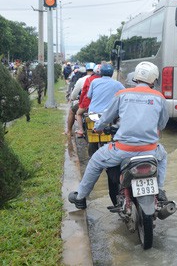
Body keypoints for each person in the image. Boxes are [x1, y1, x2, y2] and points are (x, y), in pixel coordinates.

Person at [69, 61, 170, 209]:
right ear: (154, 79)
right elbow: (161, 125)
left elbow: (106, 118)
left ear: (136, 77)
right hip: (151, 150)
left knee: (95, 161)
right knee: (163, 156)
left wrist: (98, 127)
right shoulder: (160, 98)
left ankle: (80, 197)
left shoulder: (122, 94)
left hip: (122, 150)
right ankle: (160, 190)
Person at [75, 63, 100, 137]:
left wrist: (80, 103)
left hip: (88, 103)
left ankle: (81, 130)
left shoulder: (88, 79)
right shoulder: (107, 80)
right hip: (103, 104)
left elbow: (84, 93)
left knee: (78, 113)